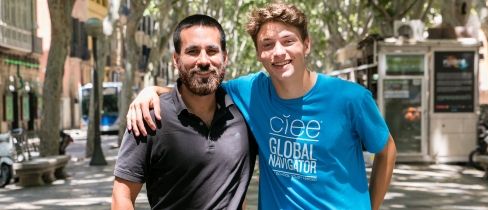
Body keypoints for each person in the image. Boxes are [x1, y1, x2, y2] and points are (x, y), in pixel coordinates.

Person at [127, 3, 397, 210]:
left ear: (306, 45)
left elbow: (387, 151)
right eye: (267, 45)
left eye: (288, 41)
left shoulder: (351, 98)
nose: (279, 53)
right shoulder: (249, 91)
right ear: (259, 54)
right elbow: (202, 82)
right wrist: (152, 91)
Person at [111, 14, 257, 210]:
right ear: (176, 59)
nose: (204, 60)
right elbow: (122, 197)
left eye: (212, 51)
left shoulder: (246, 113)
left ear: (225, 58)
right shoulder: (148, 117)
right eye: (193, 51)